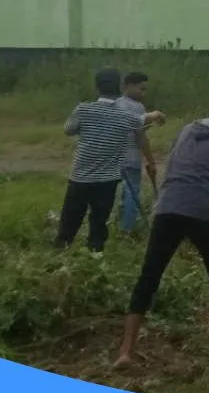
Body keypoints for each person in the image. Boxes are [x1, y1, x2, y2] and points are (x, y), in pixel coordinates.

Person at [115, 86, 209, 369]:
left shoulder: (189, 128)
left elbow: (175, 166)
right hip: (201, 209)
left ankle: (126, 350)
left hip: (167, 206)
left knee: (149, 276)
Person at [55, 67, 165, 254]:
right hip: (107, 179)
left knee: (70, 218)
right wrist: (156, 115)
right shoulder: (126, 117)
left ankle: (60, 252)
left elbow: (69, 129)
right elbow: (143, 120)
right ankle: (95, 254)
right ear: (120, 87)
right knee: (99, 221)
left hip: (80, 176)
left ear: (97, 87)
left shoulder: (83, 109)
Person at [116, 71, 159, 236]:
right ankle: (127, 229)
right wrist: (151, 160)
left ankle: (117, 224)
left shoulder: (115, 104)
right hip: (131, 158)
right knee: (131, 194)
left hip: (114, 158)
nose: (143, 93)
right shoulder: (138, 107)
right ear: (129, 86)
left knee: (119, 193)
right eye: (141, 89)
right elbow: (141, 137)